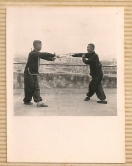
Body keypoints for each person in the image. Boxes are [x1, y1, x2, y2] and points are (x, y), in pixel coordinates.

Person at [23, 40, 59, 107]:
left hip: (32, 72)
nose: (41, 47)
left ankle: (26, 100)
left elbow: (44, 57)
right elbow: (42, 54)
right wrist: (53, 54)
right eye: (40, 45)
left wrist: (52, 58)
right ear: (35, 45)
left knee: (29, 87)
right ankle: (38, 102)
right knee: (35, 87)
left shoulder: (36, 54)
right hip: (29, 72)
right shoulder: (32, 53)